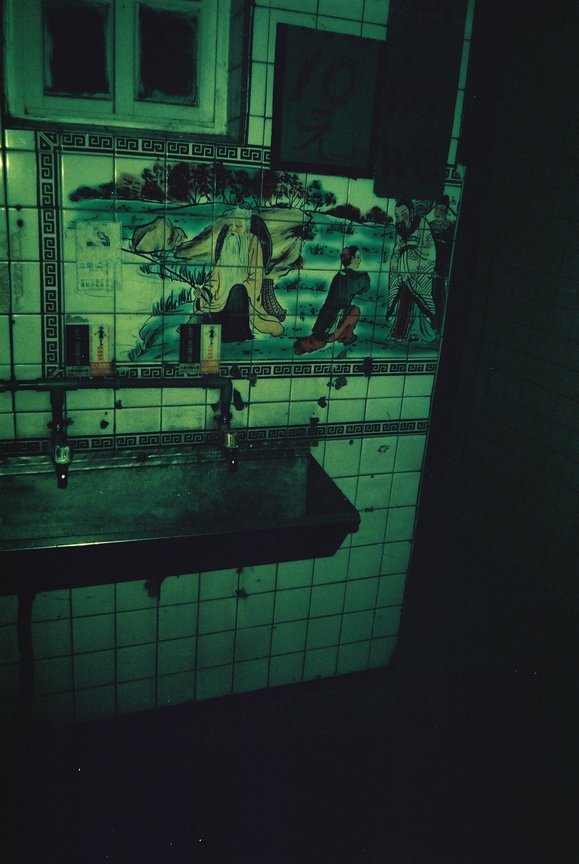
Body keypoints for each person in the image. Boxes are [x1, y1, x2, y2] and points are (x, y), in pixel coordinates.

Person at [176, 211, 285, 342]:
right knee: (197, 316)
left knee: (237, 291)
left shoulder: (252, 242)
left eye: (238, 226)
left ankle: (232, 334)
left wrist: (236, 290)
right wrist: (205, 292)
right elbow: (215, 279)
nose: (233, 230)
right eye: (231, 225)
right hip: (220, 302)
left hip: (242, 301)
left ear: (246, 227)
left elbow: (255, 278)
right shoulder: (227, 243)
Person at [294, 246, 369, 355]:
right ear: (351, 259)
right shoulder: (347, 277)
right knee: (355, 311)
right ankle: (344, 336)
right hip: (331, 317)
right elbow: (363, 287)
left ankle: (344, 335)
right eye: (357, 257)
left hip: (331, 317)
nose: (360, 260)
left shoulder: (345, 276)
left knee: (354, 311)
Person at [385, 200, 437, 343]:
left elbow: (429, 250)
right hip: (403, 273)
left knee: (417, 300)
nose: (400, 219)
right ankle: (400, 333)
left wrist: (410, 262)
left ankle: (417, 332)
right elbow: (396, 250)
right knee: (403, 298)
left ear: (412, 213)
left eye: (403, 214)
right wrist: (398, 264)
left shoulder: (422, 224)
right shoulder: (400, 230)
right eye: (397, 215)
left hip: (417, 272)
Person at [429, 195, 455, 331]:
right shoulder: (429, 226)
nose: (438, 211)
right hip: (429, 269)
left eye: (442, 208)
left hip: (444, 270)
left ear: (447, 210)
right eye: (436, 208)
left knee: (441, 299)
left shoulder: (451, 228)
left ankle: (439, 327)